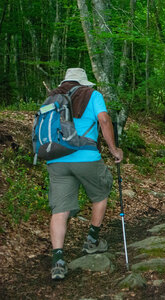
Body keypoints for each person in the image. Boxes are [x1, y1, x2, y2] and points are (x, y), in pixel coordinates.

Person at [47, 68, 123, 280]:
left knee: (60, 209)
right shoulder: (92, 95)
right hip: (85, 156)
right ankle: (92, 240)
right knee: (101, 192)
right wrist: (113, 149)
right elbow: (104, 120)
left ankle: (58, 261)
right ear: (83, 82)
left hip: (56, 157)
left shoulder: (53, 96)